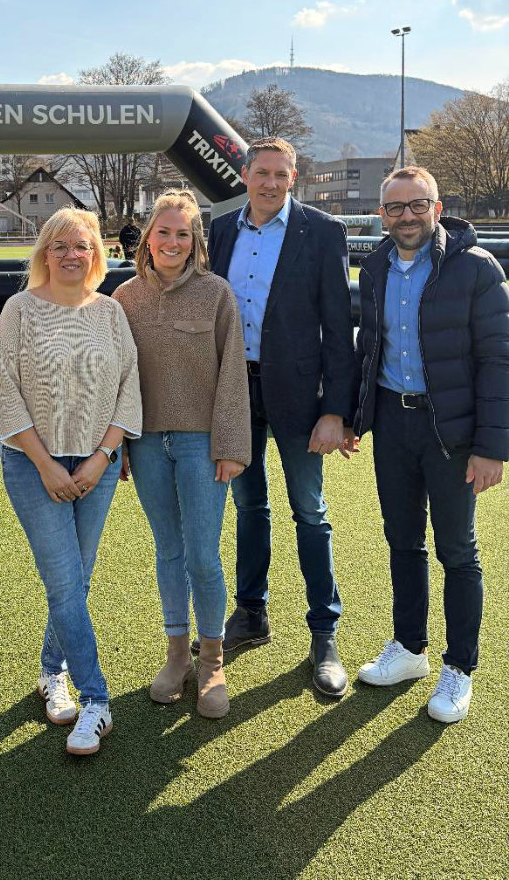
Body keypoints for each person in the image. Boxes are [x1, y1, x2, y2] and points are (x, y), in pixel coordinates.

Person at [348, 166, 509, 723]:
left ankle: (459, 668)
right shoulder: (374, 268)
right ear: (382, 214)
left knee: (457, 550)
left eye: (418, 205)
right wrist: (353, 416)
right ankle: (410, 649)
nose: (407, 216)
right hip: (394, 423)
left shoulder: (475, 268)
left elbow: (498, 360)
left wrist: (492, 447)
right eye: (396, 207)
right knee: (402, 540)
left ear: (437, 208)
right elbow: (369, 349)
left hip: (454, 431)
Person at [0, 207, 141, 756]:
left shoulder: (110, 313)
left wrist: (102, 457)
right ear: (44, 254)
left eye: (82, 246)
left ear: (96, 253)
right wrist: (46, 463)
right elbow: (2, 391)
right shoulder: (20, 310)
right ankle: (97, 699)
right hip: (34, 464)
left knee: (77, 580)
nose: (72, 255)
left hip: (95, 465)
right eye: (61, 246)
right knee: (64, 581)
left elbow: (129, 389)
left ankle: (52, 671)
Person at [206, 136, 356, 698]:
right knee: (249, 507)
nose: (270, 183)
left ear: (294, 177)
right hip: (235, 391)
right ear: (245, 174)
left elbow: (340, 331)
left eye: (281, 174)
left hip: (299, 398)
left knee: (309, 512)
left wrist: (335, 411)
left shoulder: (321, 232)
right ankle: (252, 613)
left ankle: (324, 634)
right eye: (261, 172)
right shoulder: (220, 231)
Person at [113, 190, 250, 718]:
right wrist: (121, 443)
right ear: (148, 237)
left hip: (200, 444)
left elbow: (233, 373)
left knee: (202, 554)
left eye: (183, 234)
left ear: (196, 242)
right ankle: (176, 653)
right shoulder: (125, 298)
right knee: (168, 551)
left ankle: (211, 658)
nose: (172, 242)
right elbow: (118, 376)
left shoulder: (217, 294)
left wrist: (231, 446)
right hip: (147, 443)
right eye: (163, 232)